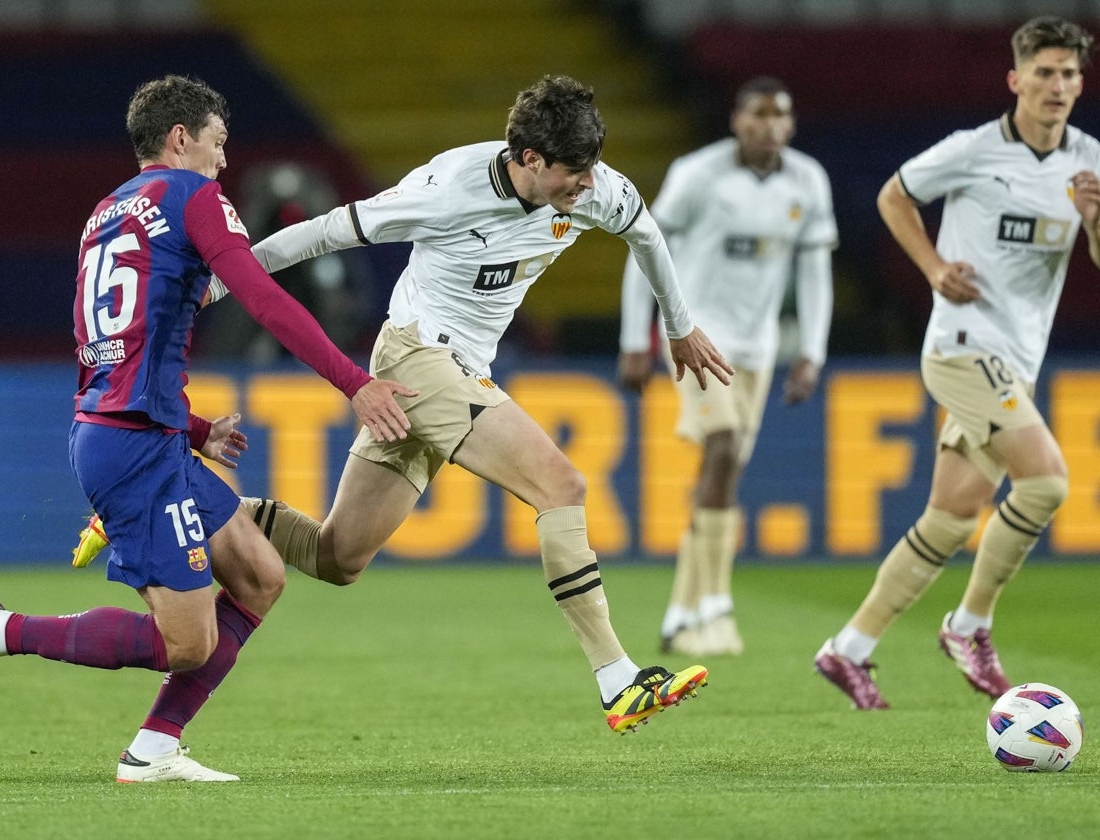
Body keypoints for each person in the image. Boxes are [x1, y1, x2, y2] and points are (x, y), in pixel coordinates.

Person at [77, 74, 734, 734]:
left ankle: (173, 503)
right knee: (560, 484)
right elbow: (322, 233)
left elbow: (646, 235)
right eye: (573, 174)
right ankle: (617, 679)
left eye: (591, 171)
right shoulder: (447, 190)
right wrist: (218, 286)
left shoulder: (596, 184)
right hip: (419, 356)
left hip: (456, 371)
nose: (587, 187)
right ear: (530, 159)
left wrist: (678, 326)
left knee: (339, 558)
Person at [0, 74, 415, 782]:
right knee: (187, 642)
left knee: (261, 575)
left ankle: (151, 749)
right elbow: (262, 298)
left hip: (138, 434)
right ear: (182, 139)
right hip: (135, 448)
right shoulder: (191, 196)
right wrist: (353, 382)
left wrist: (196, 426)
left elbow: (108, 344)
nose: (223, 160)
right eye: (217, 143)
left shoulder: (105, 213)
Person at [815, 16, 1100, 710]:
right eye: (1044, 73)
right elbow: (894, 195)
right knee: (1046, 485)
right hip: (962, 349)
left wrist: (1097, 222)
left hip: (1016, 361)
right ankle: (969, 627)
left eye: (1068, 74)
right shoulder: (974, 151)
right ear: (1016, 80)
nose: (1057, 85)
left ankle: (847, 649)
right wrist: (934, 266)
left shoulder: (1089, 161)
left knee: (949, 517)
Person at [617, 77, 836, 659]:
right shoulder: (698, 174)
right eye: (758, 114)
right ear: (737, 120)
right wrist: (634, 338)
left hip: (759, 348)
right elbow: (645, 246)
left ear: (790, 124)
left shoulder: (807, 180)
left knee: (726, 466)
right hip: (695, 334)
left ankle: (683, 612)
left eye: (780, 115)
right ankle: (714, 600)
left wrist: (811, 350)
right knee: (723, 445)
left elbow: (814, 272)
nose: (770, 125)